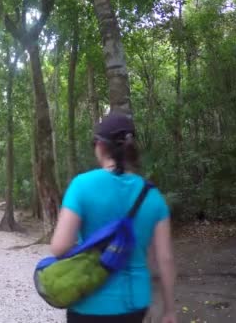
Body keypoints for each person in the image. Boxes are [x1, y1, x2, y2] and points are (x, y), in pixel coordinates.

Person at [50, 112, 177, 323]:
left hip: (88, 300)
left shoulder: (81, 185)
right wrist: (169, 310)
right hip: (135, 304)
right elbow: (164, 259)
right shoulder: (153, 196)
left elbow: (59, 247)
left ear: (100, 145)